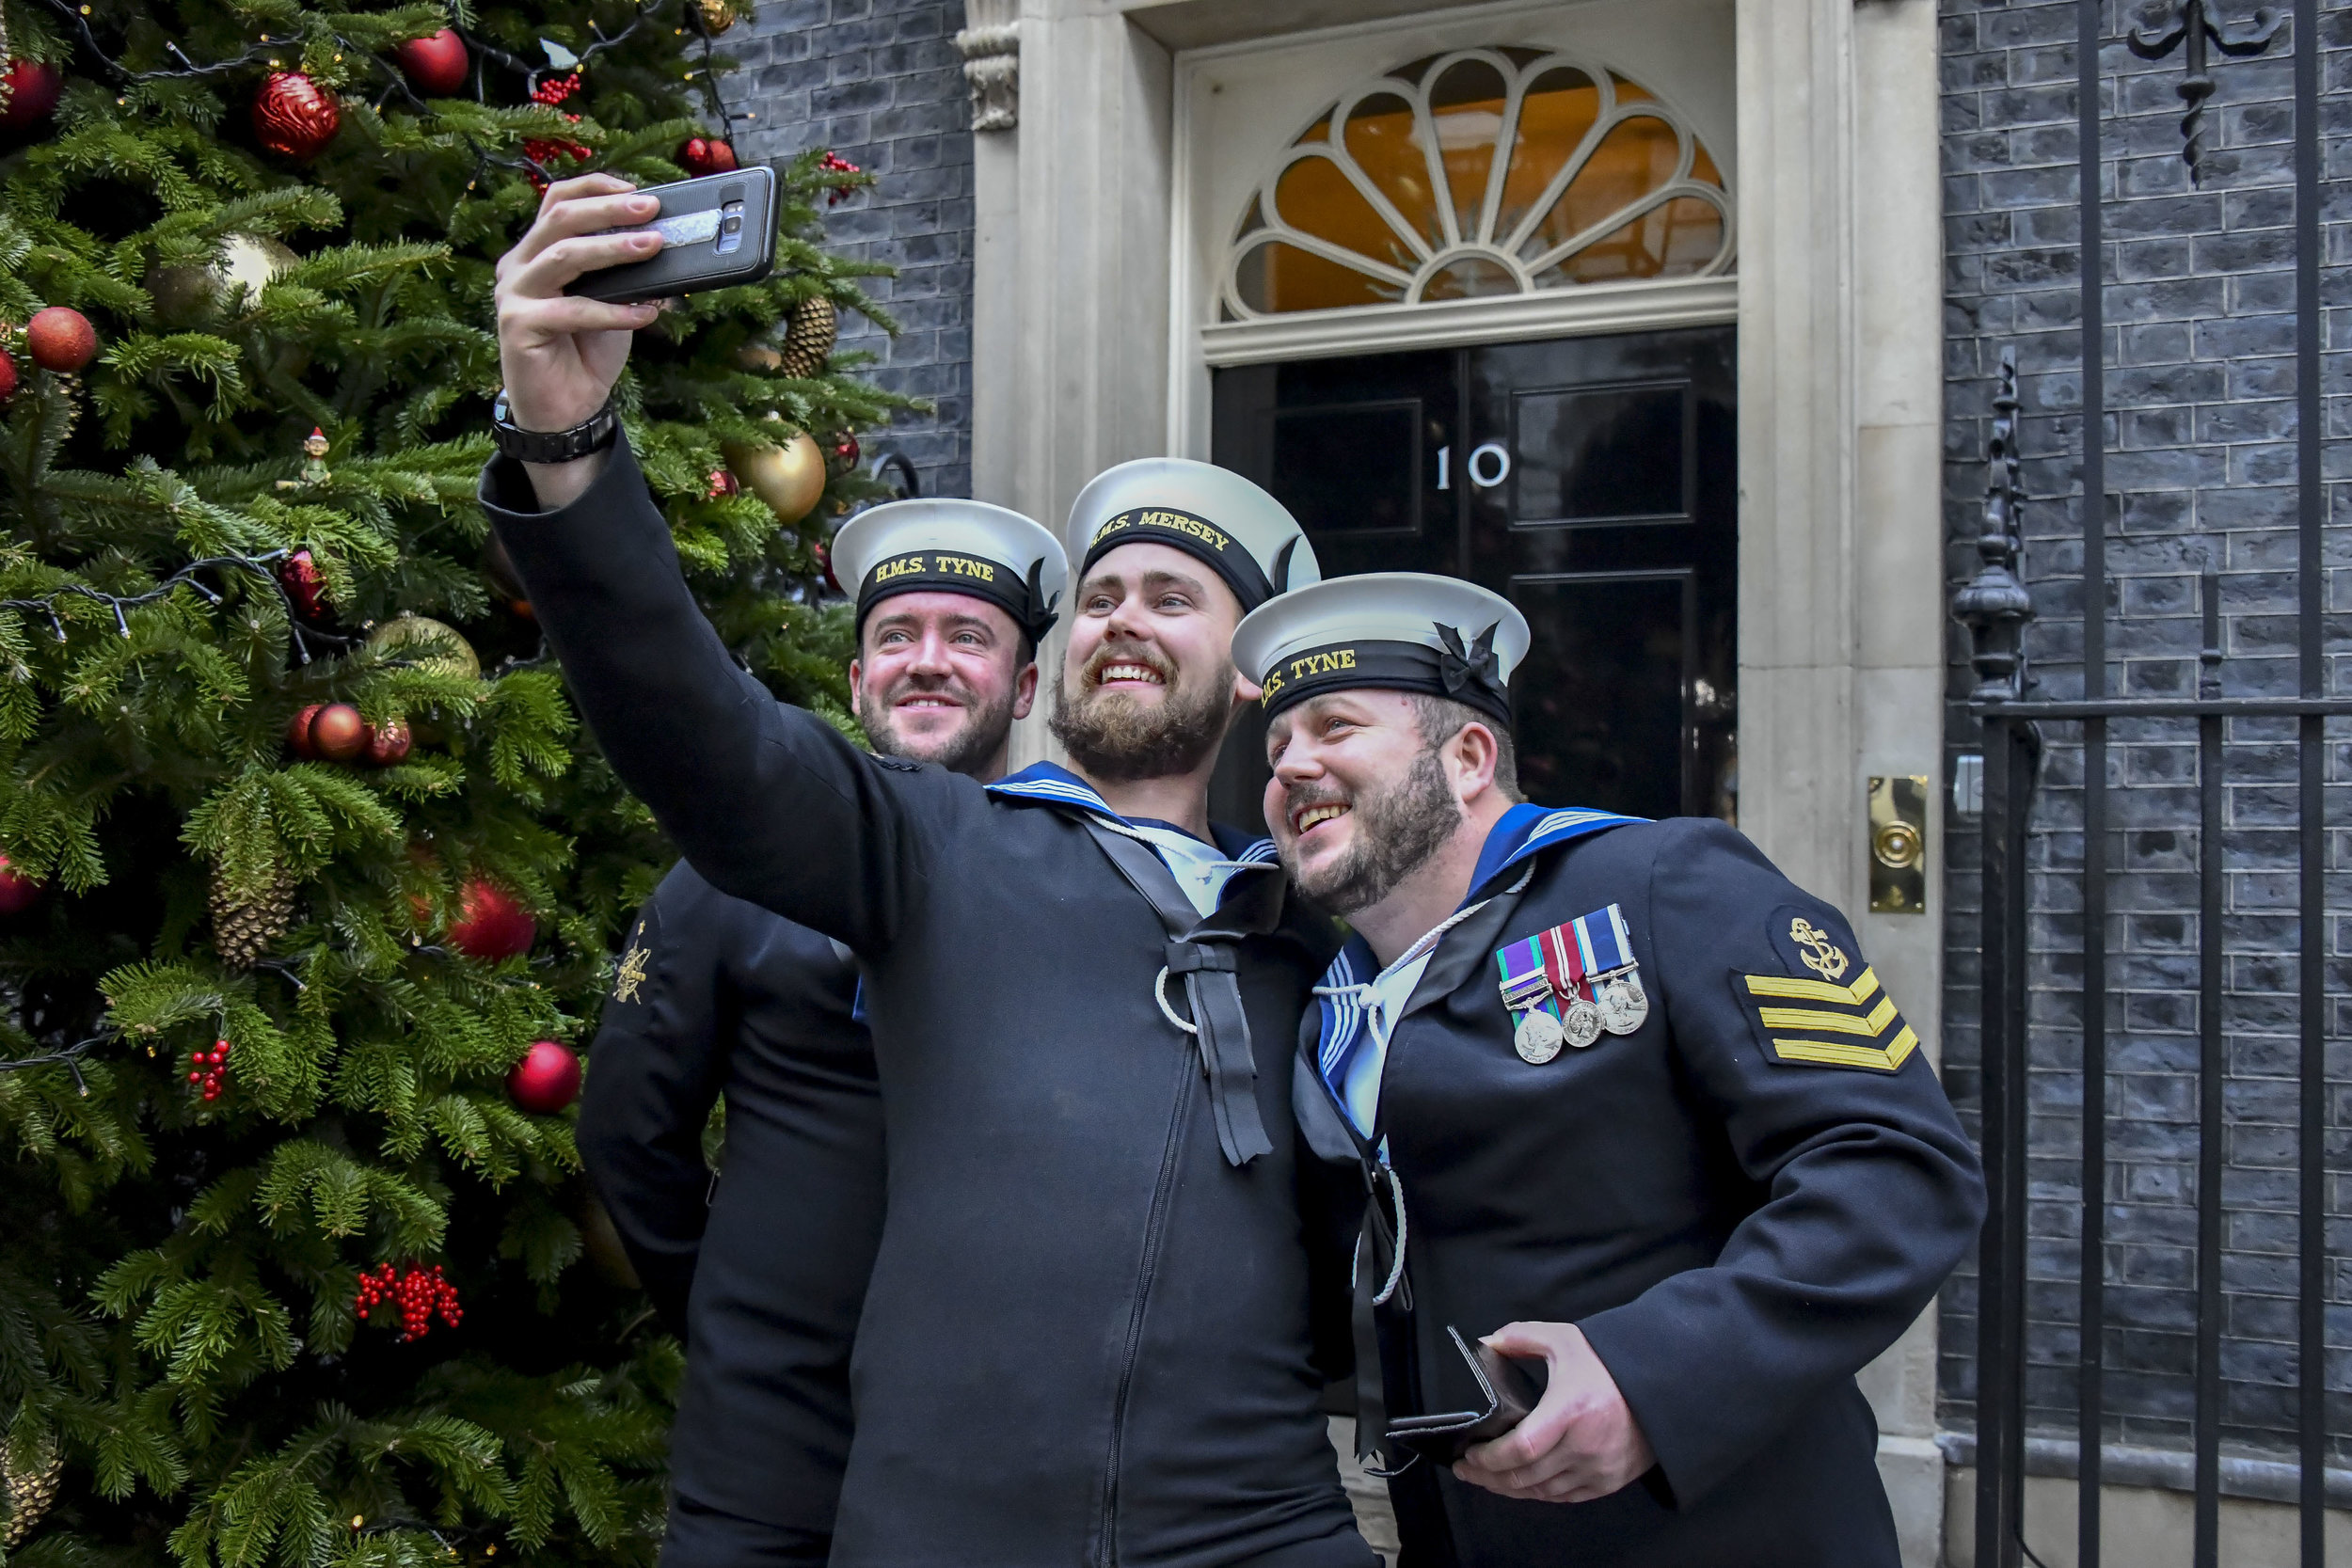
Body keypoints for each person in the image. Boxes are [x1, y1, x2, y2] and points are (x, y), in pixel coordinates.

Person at [484, 174, 1374, 1568]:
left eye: (1173, 596)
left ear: (1251, 665)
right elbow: (699, 728)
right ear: (1057, 660)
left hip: (1258, 1526)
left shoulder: (1319, 928)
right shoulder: (933, 845)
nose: (1124, 619)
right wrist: (569, 438)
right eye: (1102, 595)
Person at [1232, 573, 1987, 1567]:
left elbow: (1896, 1164)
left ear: (1466, 758)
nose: (1292, 766)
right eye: (1277, 745)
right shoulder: (1329, 998)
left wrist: (1650, 1375)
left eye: (1334, 726)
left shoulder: (1664, 882)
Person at [576, 499, 1065, 1567]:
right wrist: (737, 1310)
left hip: (995, 1468)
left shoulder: (1076, 885)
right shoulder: (722, 879)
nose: (925, 663)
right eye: (895, 637)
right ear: (856, 681)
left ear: (1025, 688)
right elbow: (626, 1130)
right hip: (764, 1468)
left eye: (967, 638)